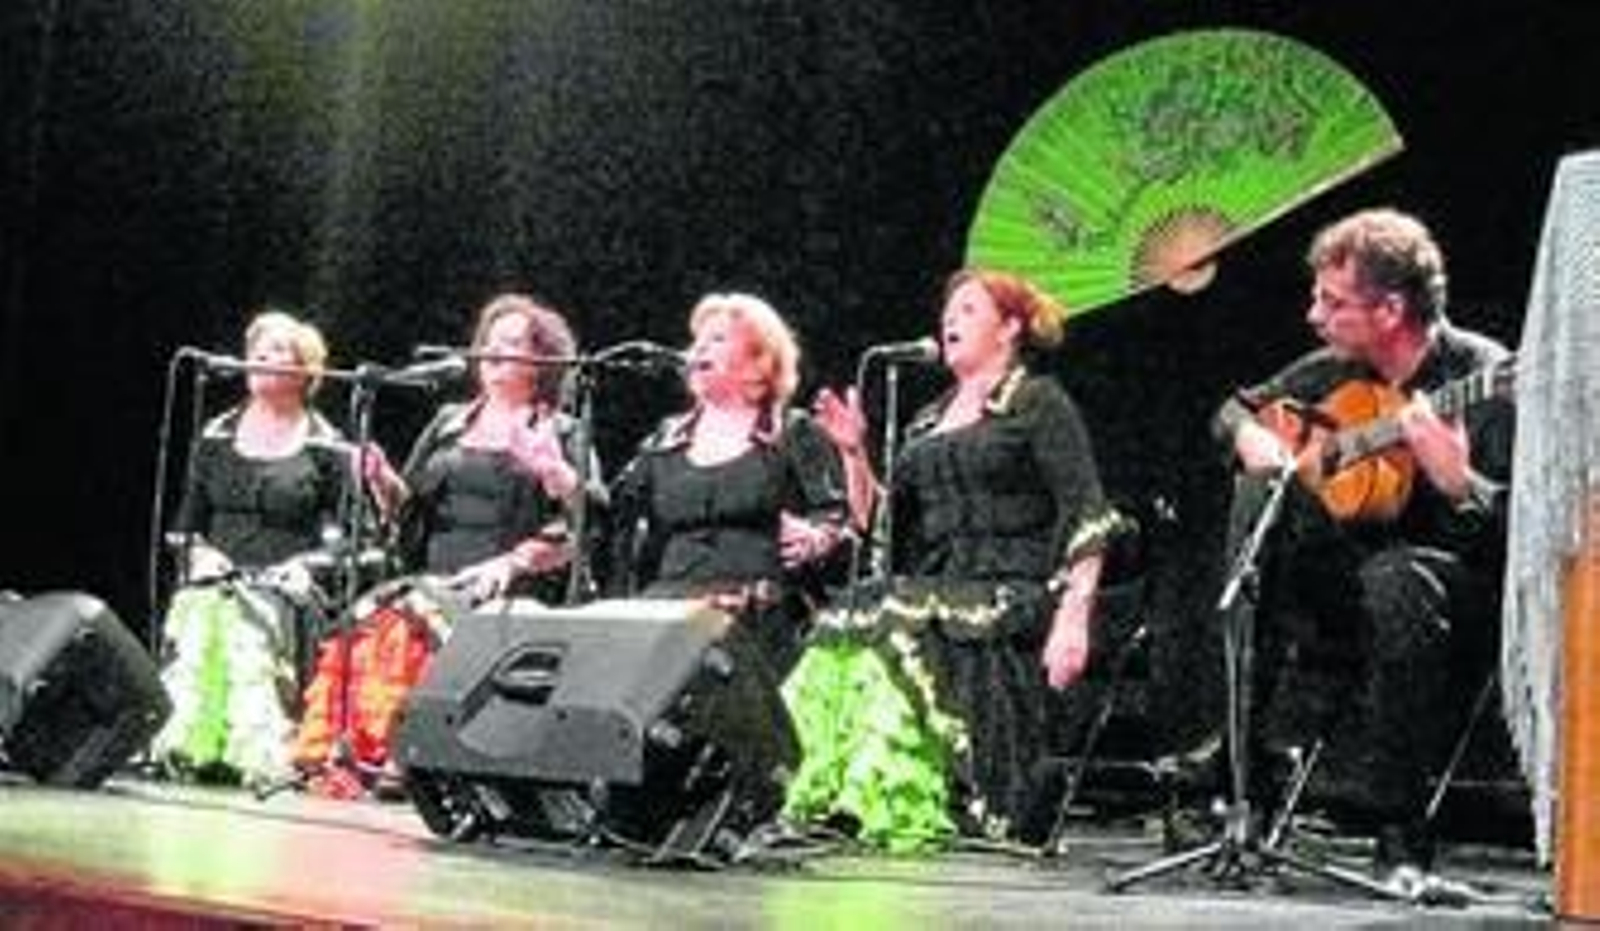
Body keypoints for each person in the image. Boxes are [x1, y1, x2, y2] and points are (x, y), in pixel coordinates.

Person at [1210, 207, 1515, 877]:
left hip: (1455, 596)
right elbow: (1232, 408)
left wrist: (1459, 480)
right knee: (1259, 495)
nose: (1314, 315)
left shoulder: (1487, 376)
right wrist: (1251, 437)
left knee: (1396, 579)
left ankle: (1400, 826)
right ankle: (1241, 776)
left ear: (1391, 308)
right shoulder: (1331, 370)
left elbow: (1524, 531)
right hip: (1347, 585)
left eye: (1333, 301)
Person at [784, 268, 1123, 849]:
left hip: (1014, 589)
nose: (949, 320)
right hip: (937, 592)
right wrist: (852, 454)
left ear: (1010, 327)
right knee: (855, 607)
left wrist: (1073, 617)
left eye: (968, 309)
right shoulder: (927, 420)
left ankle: (889, 793)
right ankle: (834, 786)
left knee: (889, 606)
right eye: (948, 310)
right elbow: (882, 529)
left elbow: (1086, 508)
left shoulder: (1036, 401)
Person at [291, 293, 604, 792]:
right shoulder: (449, 422)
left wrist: (516, 558)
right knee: (373, 624)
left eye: (513, 342)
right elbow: (407, 510)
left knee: (420, 625)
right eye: (491, 342)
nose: (496, 351)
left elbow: (586, 524)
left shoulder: (560, 431)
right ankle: (356, 755)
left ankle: (407, 756)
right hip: (433, 577)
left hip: (513, 584)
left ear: (542, 361)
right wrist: (382, 480)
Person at [152, 309, 351, 785]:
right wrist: (198, 553)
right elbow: (182, 527)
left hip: (287, 586)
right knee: (204, 607)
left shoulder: (327, 446)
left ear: (306, 370)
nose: (262, 357)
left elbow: (348, 538)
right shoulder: (217, 436)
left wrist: (310, 567)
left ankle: (259, 752)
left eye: (278, 350)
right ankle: (188, 743)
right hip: (216, 580)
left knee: (246, 615)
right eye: (256, 351)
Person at [607, 291, 850, 676]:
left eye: (717, 338)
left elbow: (839, 520)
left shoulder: (793, 431)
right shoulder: (665, 439)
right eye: (697, 340)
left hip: (757, 620)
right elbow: (612, 518)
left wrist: (816, 538)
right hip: (668, 618)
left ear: (759, 361)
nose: (698, 347)